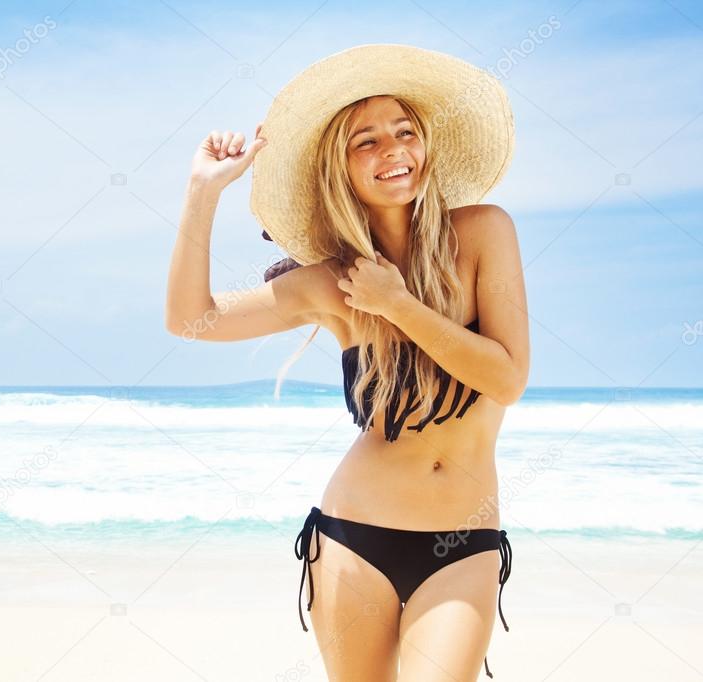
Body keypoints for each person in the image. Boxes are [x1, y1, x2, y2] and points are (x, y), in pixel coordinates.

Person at [165, 43, 529, 681]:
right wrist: (203, 194)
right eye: (366, 141)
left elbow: (506, 376)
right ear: (341, 166)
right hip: (353, 535)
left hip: (462, 544)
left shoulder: (481, 233)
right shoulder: (330, 282)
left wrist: (397, 305)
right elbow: (190, 319)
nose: (392, 149)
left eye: (404, 131)